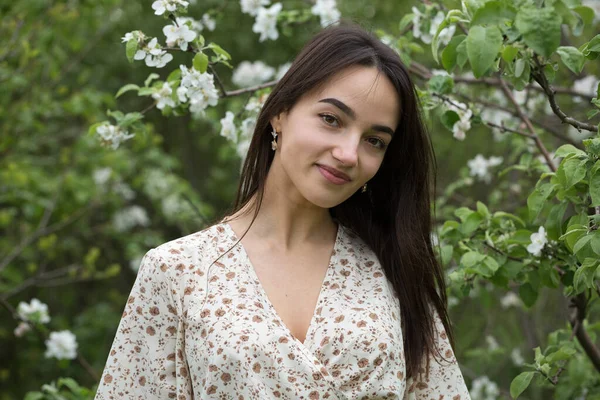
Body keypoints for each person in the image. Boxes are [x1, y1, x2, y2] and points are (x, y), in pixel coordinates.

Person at [95, 23, 471, 399]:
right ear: (280, 113)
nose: (348, 154)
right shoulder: (178, 271)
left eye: (374, 140)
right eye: (331, 119)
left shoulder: (392, 267)